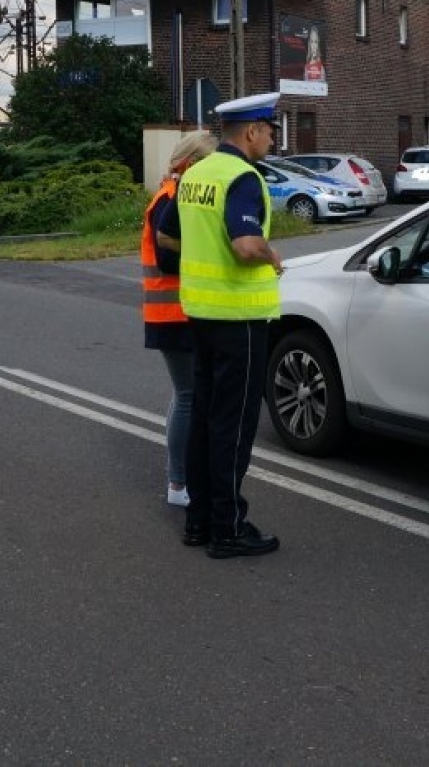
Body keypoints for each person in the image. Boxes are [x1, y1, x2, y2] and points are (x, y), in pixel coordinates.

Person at [159, 92, 286, 559]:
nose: (273, 138)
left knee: (206, 421)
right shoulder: (242, 177)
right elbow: (246, 245)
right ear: (250, 132)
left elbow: (166, 232)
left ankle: (198, 522)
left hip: (201, 315)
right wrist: (273, 257)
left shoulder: (196, 175)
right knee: (233, 427)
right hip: (240, 318)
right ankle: (228, 528)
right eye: (270, 130)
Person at [142, 129, 216, 508]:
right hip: (174, 312)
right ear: (190, 164)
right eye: (206, 163)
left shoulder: (172, 196)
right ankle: (178, 483)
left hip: (173, 311)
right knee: (188, 397)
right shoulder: (169, 200)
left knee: (184, 396)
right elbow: (170, 259)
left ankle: (180, 478)